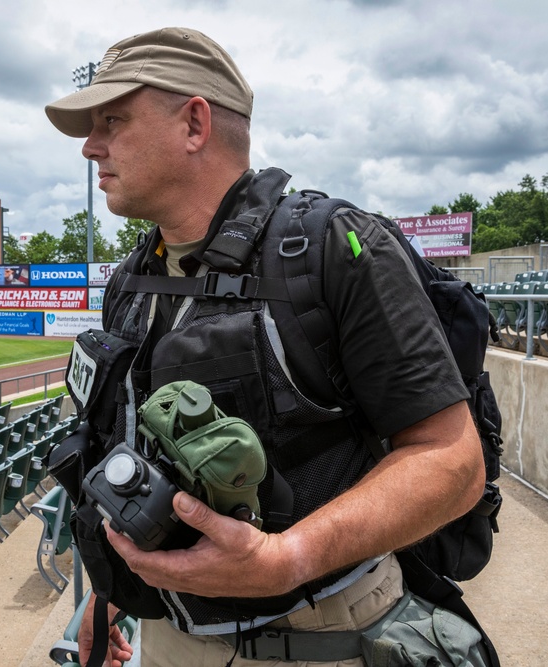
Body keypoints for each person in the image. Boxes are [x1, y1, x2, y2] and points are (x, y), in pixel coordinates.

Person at [46, 27, 491, 667]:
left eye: (111, 120)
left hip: (323, 642)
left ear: (194, 123)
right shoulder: (129, 281)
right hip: (167, 638)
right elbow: (142, 463)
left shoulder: (332, 247)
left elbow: (451, 461)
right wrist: (111, 597)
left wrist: (288, 559)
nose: (91, 146)